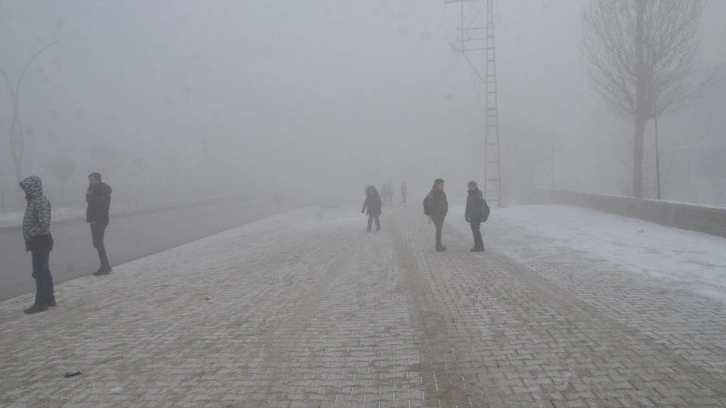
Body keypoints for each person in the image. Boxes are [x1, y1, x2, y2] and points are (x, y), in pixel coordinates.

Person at [19, 176, 55, 314]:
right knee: (43, 271)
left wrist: (30, 234)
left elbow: (44, 224)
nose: (25, 190)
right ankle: (49, 298)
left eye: (27, 188)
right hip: (37, 242)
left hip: (41, 242)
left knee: (39, 273)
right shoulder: (33, 201)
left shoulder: (41, 202)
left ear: (34, 188)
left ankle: (40, 303)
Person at [86, 172, 113, 275]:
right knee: (97, 243)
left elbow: (101, 206)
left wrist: (95, 220)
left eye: (92, 180)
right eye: (89, 180)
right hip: (94, 220)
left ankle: (105, 266)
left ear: (98, 180)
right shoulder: (92, 189)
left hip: (99, 220)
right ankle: (105, 266)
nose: (90, 182)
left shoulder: (103, 190)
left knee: (98, 243)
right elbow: (89, 200)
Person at [423, 178, 448, 252]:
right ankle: (438, 246)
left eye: (443, 185)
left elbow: (445, 203)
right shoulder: (433, 193)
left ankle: (439, 244)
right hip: (436, 215)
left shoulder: (442, 193)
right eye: (441, 184)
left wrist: (445, 211)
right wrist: (437, 213)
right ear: (436, 185)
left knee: (439, 230)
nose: (443, 186)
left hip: (441, 215)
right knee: (439, 230)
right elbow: (431, 205)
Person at [465, 180, 489, 252]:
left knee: (476, 231)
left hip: (477, 216)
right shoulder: (469, 196)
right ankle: (477, 246)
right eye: (469, 187)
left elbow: (481, 206)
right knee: (474, 231)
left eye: (472, 187)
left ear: (475, 187)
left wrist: (481, 215)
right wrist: (466, 215)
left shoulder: (477, 195)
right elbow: (468, 207)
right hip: (472, 216)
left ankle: (480, 247)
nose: (470, 188)